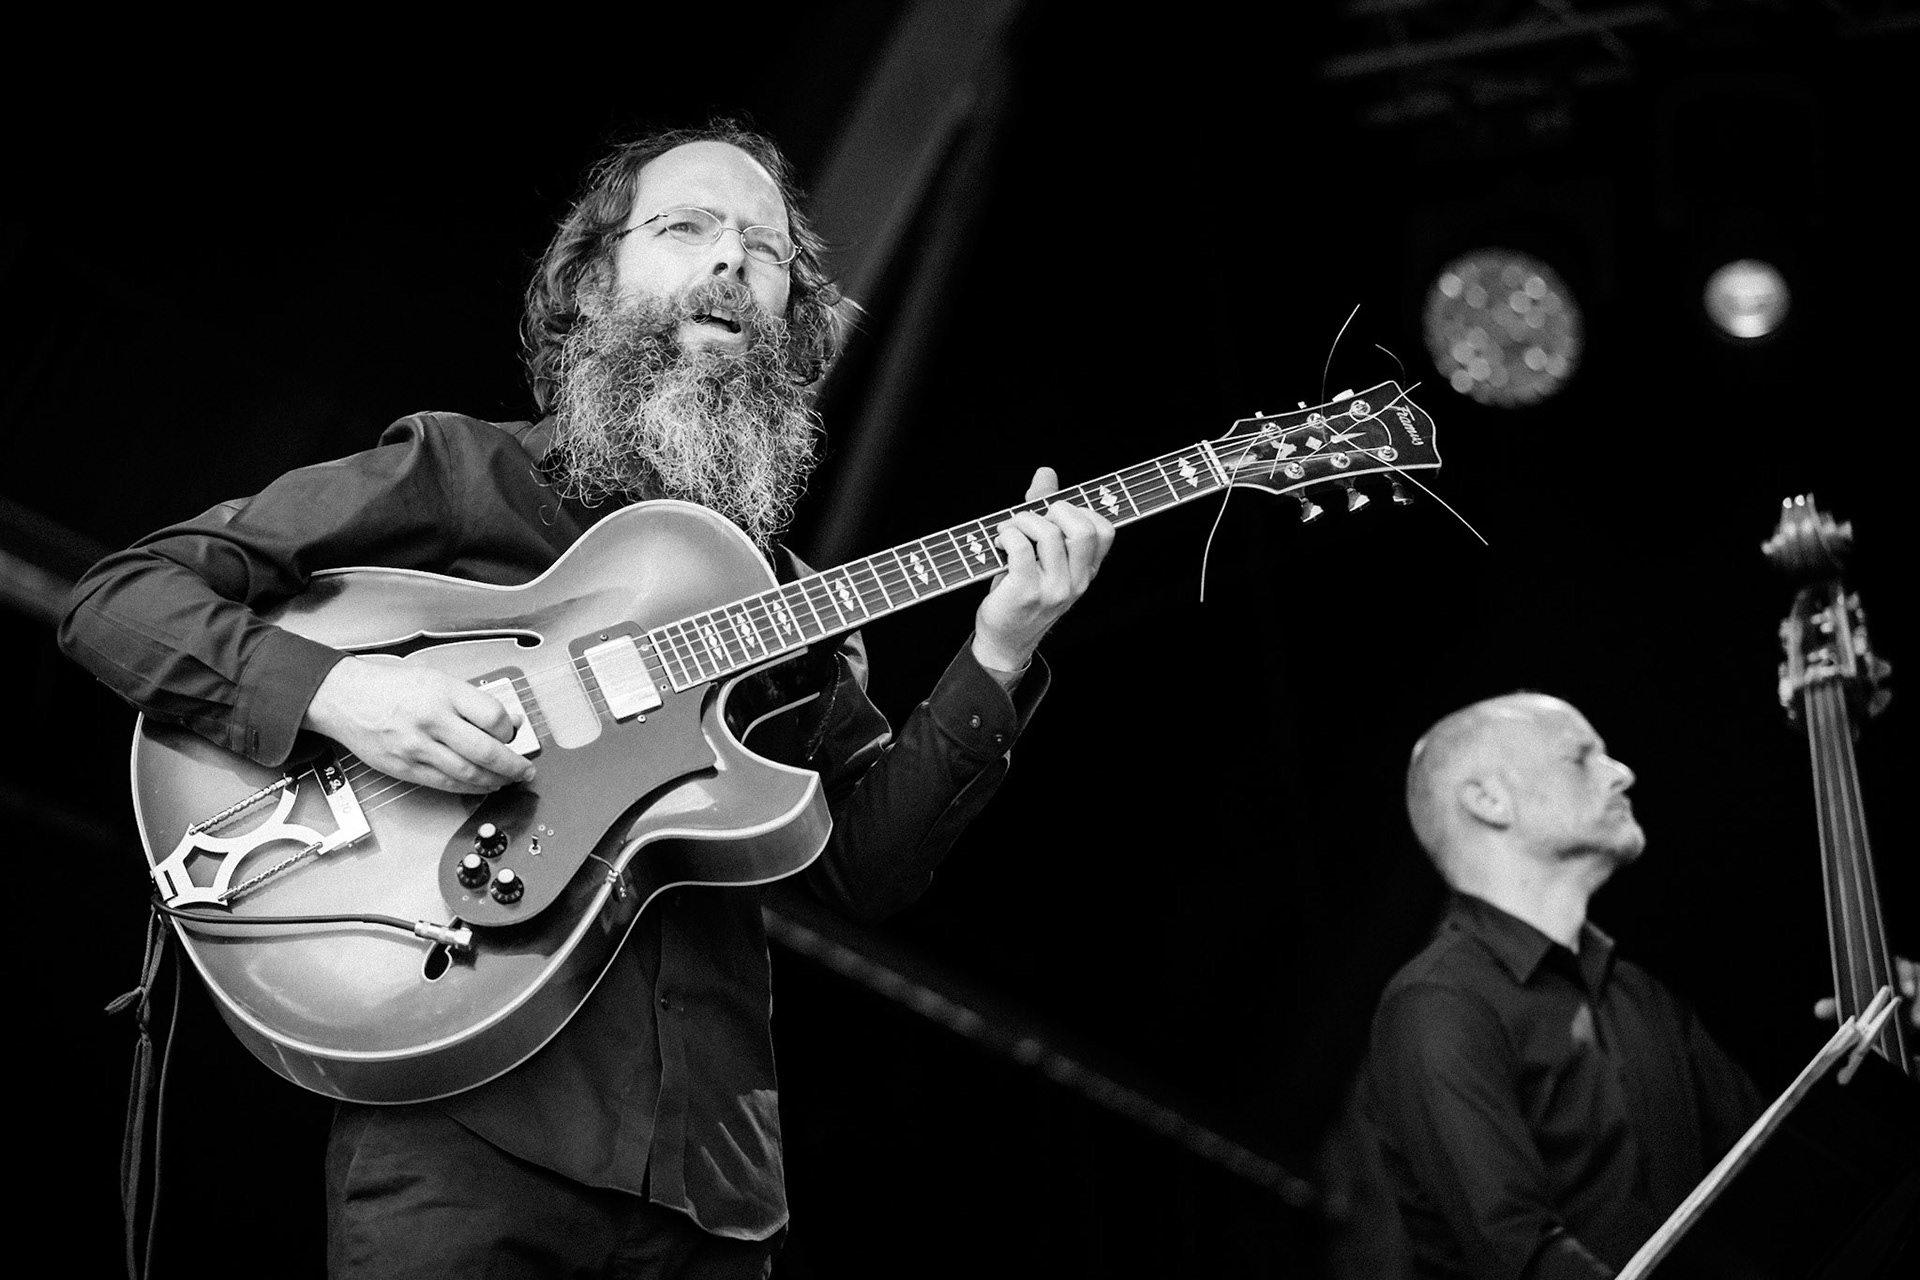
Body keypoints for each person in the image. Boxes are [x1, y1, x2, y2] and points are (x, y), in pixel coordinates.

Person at [60, 121, 1114, 1278]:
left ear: (796, 324)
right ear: (589, 282)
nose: (729, 263)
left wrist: (1000, 652)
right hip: (465, 1137)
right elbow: (122, 595)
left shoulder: (799, 609)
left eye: (764, 251)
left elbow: (865, 867)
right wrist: (347, 693)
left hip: (711, 1192)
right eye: (685, 229)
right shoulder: (469, 475)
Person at [1364, 692, 1767, 1280]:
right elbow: (1521, 1258)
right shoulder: (1438, 1006)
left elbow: (1778, 1177)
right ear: (1488, 800)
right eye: (1581, 757)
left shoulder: (1639, 995)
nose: (1622, 773)